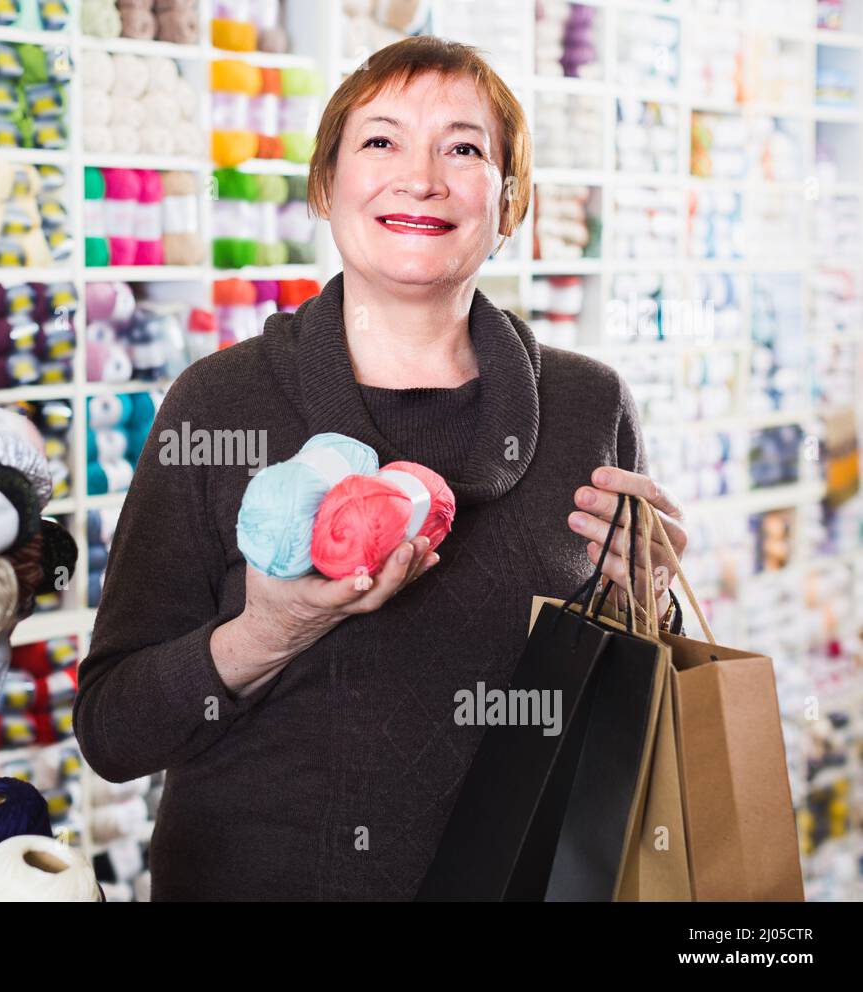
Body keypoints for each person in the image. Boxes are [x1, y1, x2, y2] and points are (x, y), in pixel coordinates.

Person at [74, 34, 689, 901]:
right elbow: (112, 732)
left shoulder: (592, 408)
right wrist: (266, 635)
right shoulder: (221, 406)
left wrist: (643, 605)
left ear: (510, 202)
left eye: (465, 148)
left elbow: (615, 709)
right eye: (381, 141)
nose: (423, 177)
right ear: (326, 186)